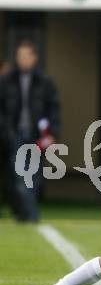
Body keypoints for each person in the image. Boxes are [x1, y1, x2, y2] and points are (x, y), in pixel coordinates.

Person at [0, 40, 60, 222]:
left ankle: (25, 213)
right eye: (20, 56)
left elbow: (53, 109)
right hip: (14, 135)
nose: (22, 60)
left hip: (36, 136)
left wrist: (52, 132)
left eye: (26, 56)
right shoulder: (7, 81)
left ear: (34, 58)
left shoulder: (45, 82)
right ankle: (31, 214)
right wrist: (6, 130)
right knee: (18, 175)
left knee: (33, 176)